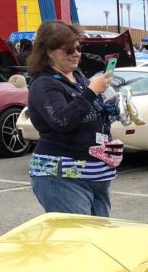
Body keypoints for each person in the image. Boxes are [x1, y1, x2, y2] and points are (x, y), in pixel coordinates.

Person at [25, 20, 123, 217]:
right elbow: (62, 121)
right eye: (68, 49)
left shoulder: (77, 76)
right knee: (77, 241)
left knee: (97, 238)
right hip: (62, 176)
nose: (76, 53)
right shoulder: (44, 84)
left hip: (96, 174)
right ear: (49, 52)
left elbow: (86, 116)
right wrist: (91, 91)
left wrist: (109, 108)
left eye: (78, 47)